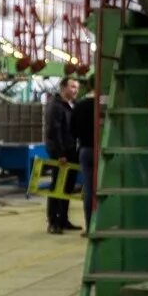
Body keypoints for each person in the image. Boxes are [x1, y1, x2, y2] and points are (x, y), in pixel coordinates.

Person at [44, 76, 79, 235]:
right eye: (72, 87)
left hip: (71, 152)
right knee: (56, 187)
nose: (75, 90)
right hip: (61, 154)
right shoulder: (55, 106)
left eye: (76, 87)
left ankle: (63, 219)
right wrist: (60, 154)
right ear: (63, 88)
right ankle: (53, 222)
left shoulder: (71, 106)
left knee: (67, 188)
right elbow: (53, 131)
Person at [70, 84, 96, 229]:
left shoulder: (79, 106)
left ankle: (90, 225)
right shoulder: (103, 105)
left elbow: (72, 131)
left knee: (89, 190)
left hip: (85, 150)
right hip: (101, 151)